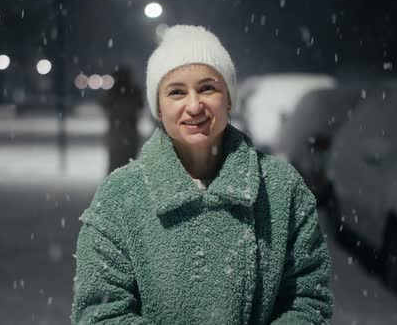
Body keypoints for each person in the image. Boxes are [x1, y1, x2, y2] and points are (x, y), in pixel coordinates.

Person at [71, 25, 334, 324]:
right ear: (158, 107)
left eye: (207, 88)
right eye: (176, 92)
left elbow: (309, 301)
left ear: (230, 98)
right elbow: (99, 313)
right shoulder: (119, 197)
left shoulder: (280, 188)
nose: (194, 105)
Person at [100, 66, 144, 174]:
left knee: (116, 163)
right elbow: (139, 106)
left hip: (117, 132)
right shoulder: (133, 92)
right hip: (129, 132)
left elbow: (104, 104)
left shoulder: (113, 92)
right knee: (129, 163)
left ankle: (115, 185)